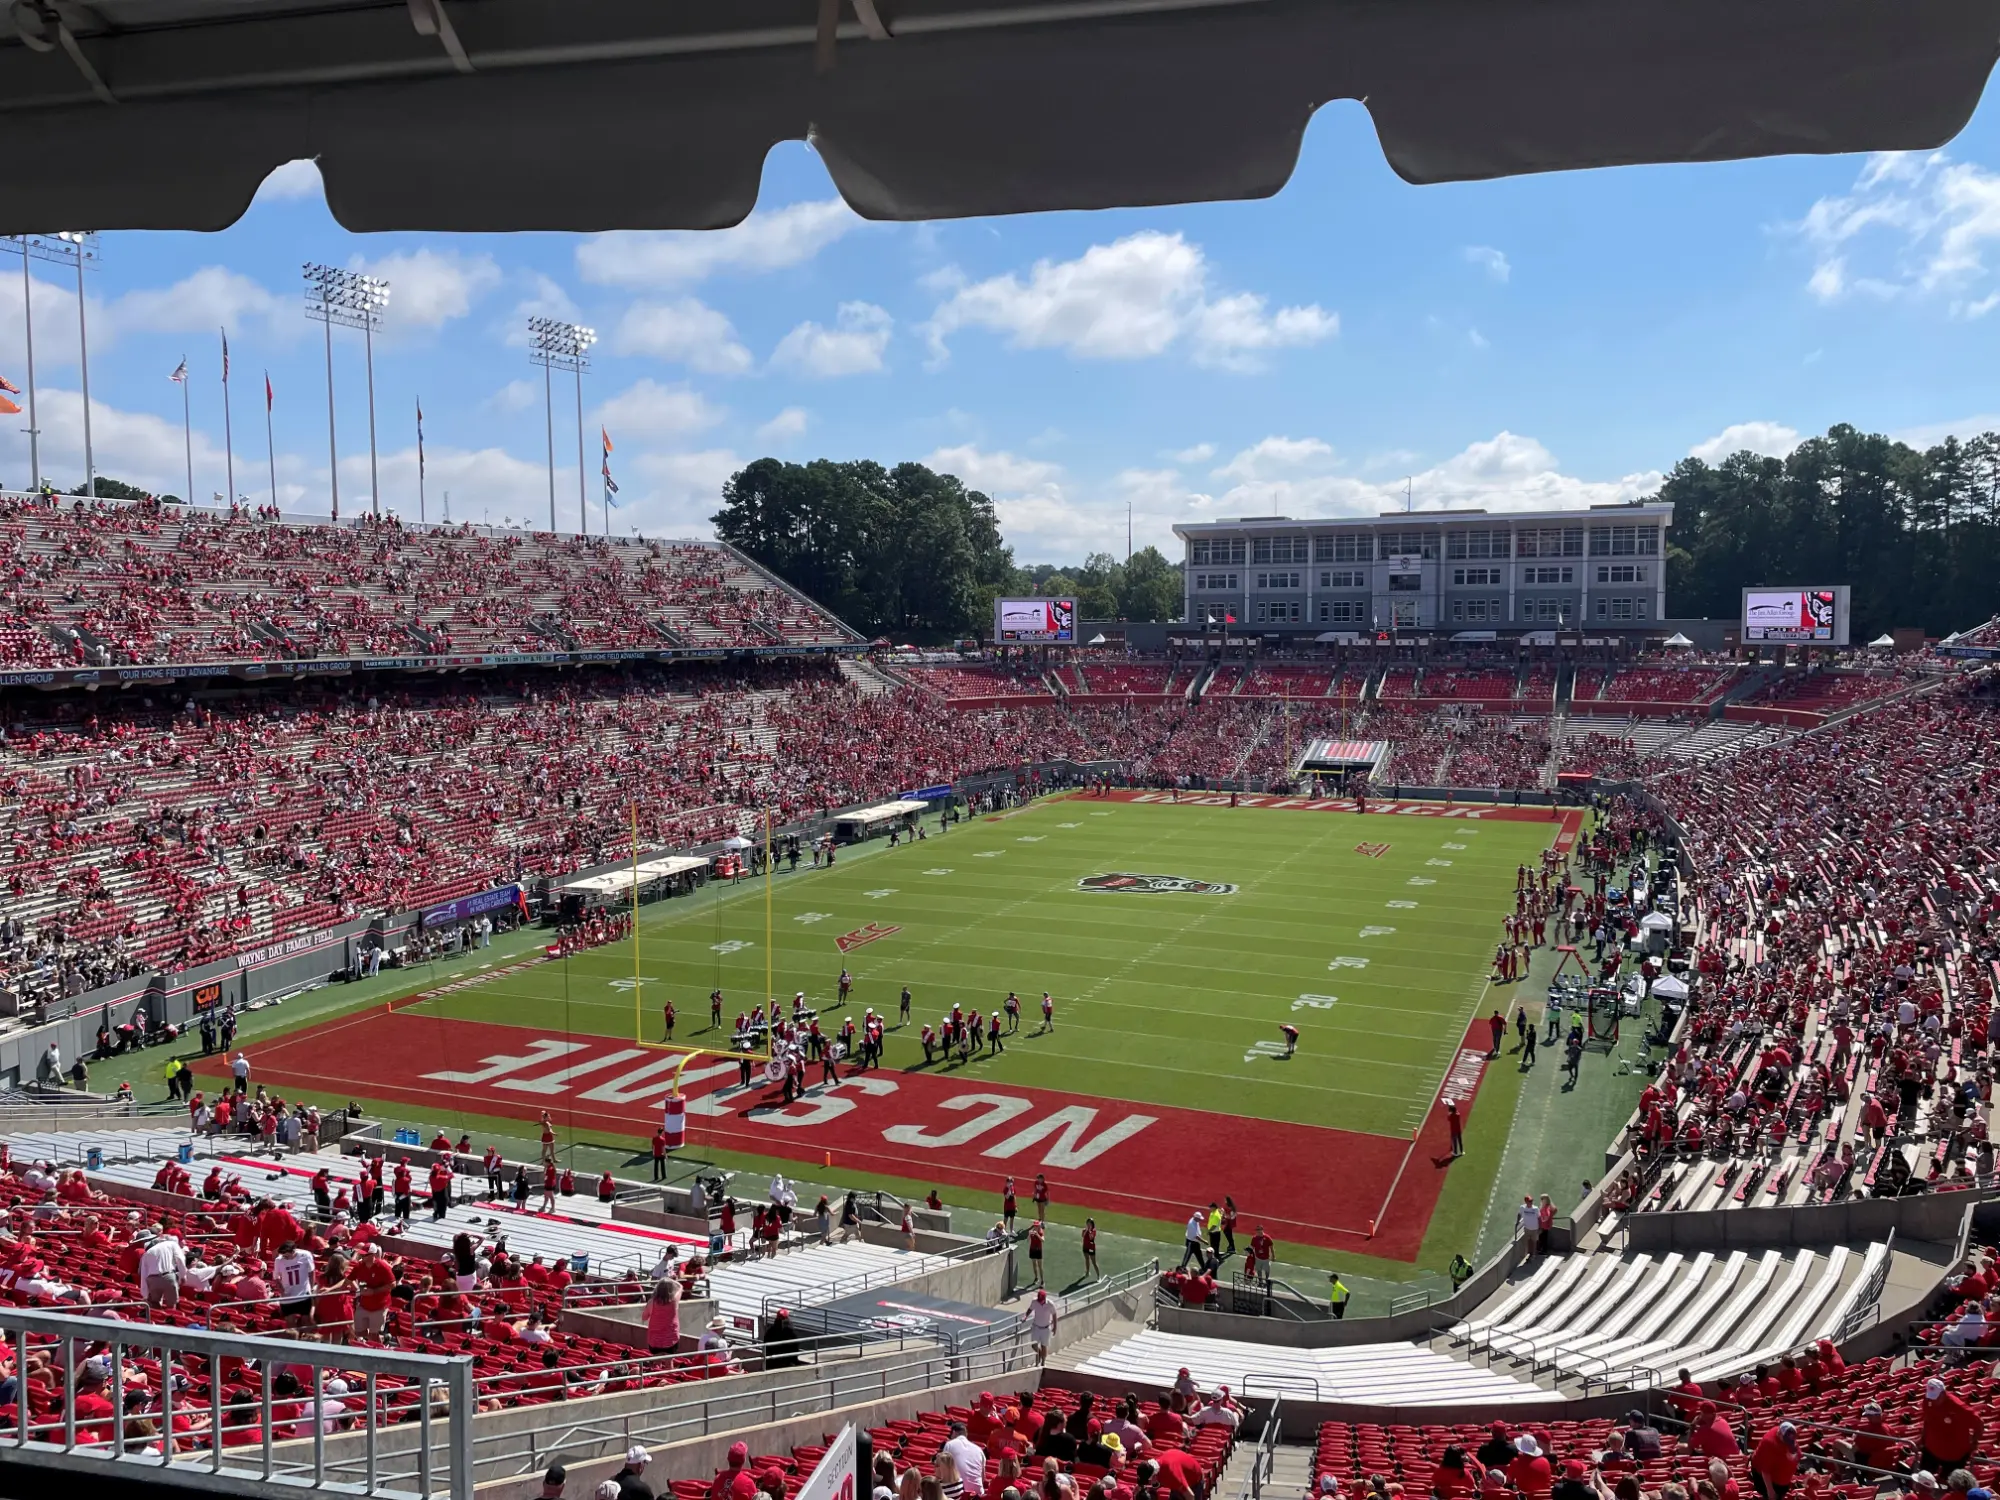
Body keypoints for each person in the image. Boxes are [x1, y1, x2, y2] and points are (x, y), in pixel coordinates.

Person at [1750, 1423, 1799, 1500]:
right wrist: (1770, 1491)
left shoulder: (1789, 1435)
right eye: (1786, 1440)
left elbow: (1796, 1452)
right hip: (1767, 1481)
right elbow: (1765, 1471)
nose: (1788, 1443)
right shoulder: (1769, 1443)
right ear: (1779, 1434)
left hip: (1783, 1481)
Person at [647, 1277, 682, 1354]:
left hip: (654, 1340)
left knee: (656, 1363)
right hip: (671, 1339)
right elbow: (680, 1287)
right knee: (669, 1362)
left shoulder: (652, 1302)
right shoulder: (674, 1301)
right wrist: (672, 1281)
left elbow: (644, 1316)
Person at [1026, 1286, 1058, 1363]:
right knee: (1034, 1345)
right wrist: (1025, 1316)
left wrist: (1055, 1327)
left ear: (1045, 1298)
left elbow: (1054, 1315)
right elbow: (1030, 1309)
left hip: (1046, 1328)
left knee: (1044, 1345)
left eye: (1041, 1300)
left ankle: (1043, 1362)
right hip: (1036, 1327)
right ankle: (1040, 1354)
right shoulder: (1034, 1302)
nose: (1040, 1302)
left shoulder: (1050, 1304)